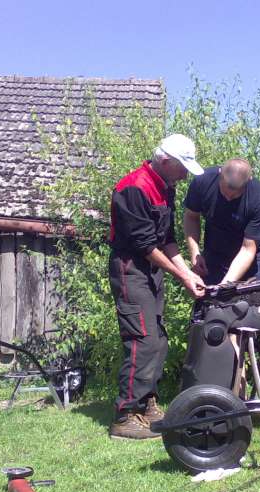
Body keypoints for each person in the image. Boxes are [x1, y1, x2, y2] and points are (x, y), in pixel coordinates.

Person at [108, 134, 205, 440]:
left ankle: (147, 404)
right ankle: (125, 416)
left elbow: (167, 239)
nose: (185, 175)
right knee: (143, 339)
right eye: (182, 167)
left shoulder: (166, 186)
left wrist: (188, 271)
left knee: (159, 339)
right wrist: (182, 277)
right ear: (165, 161)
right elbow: (146, 245)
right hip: (131, 269)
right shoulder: (134, 188)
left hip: (151, 269)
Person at [183, 158, 260, 395]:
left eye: (235, 194)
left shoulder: (259, 198)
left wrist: (225, 286)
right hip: (215, 260)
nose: (229, 197)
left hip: (253, 264)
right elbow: (191, 216)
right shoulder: (202, 183)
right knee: (226, 323)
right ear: (219, 174)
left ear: (249, 182)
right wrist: (195, 253)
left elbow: (248, 250)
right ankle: (235, 394)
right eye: (225, 191)